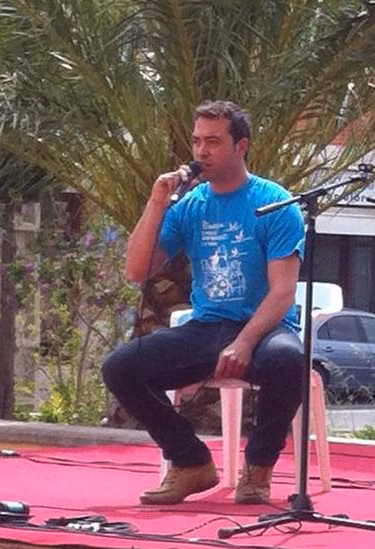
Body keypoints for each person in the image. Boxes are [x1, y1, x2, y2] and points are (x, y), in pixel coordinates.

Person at [102, 100, 305, 505]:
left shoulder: (275, 203)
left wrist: (246, 341)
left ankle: (259, 469)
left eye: (213, 141)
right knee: (120, 368)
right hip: (207, 327)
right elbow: (137, 270)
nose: (201, 152)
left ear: (240, 146)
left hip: (265, 327)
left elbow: (282, 292)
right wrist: (158, 202)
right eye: (196, 142)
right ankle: (191, 461)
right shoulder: (190, 206)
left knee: (287, 359)